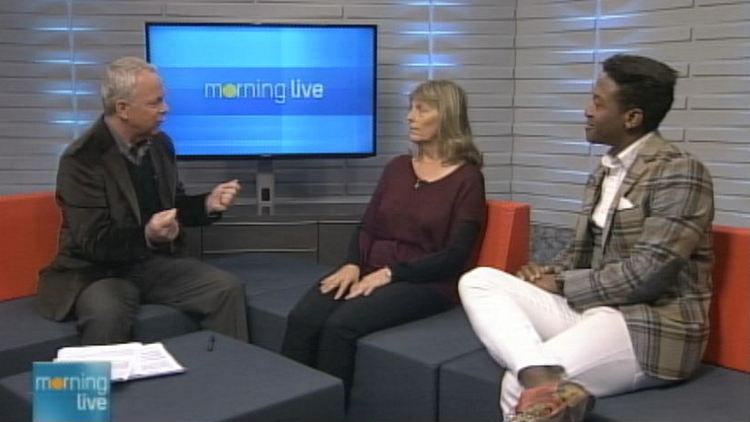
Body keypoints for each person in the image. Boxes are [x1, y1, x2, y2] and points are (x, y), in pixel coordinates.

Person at [459, 54, 714, 422]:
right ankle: (542, 374)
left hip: (653, 325)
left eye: (598, 102)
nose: (587, 110)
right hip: (595, 311)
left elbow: (648, 274)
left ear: (632, 118)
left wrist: (560, 282)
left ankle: (537, 378)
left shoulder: (680, 172)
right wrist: (543, 273)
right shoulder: (604, 172)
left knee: (515, 385)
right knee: (479, 280)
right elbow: (584, 253)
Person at [280, 80, 486, 396]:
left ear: (447, 116)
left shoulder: (468, 179)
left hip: (425, 282)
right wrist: (351, 263)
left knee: (339, 327)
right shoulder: (397, 168)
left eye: (422, 109)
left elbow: (454, 256)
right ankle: (290, 405)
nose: (410, 117)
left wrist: (391, 274)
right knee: (303, 319)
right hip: (370, 270)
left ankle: (327, 411)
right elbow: (368, 227)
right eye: (411, 108)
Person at [36, 57, 250, 345]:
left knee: (225, 289)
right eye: (155, 102)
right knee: (107, 314)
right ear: (123, 108)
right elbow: (95, 241)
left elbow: (172, 206)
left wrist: (206, 205)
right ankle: (99, 390)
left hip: (151, 263)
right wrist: (148, 235)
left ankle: (230, 381)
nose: (165, 109)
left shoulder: (160, 144)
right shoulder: (82, 159)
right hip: (97, 271)